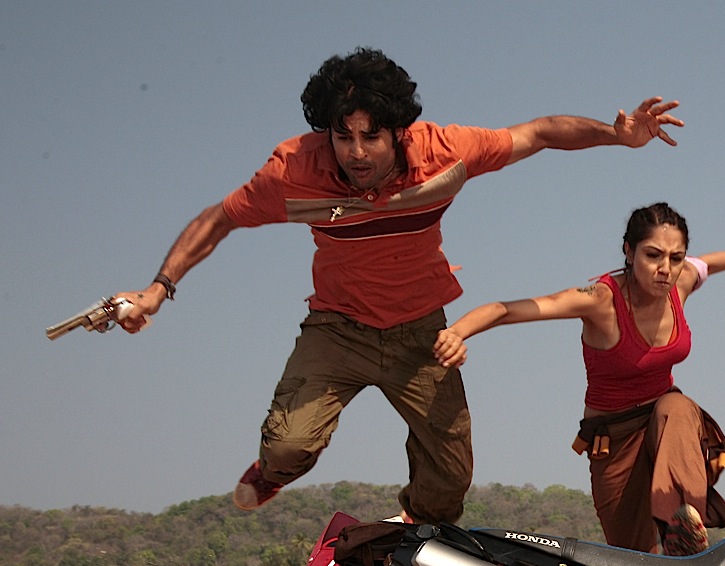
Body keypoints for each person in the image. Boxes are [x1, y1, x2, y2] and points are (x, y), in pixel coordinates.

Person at [112, 48, 684, 521]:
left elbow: (537, 133)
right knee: (289, 445)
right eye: (343, 136)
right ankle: (273, 473)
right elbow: (220, 218)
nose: (357, 153)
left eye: (372, 136)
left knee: (452, 481)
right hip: (338, 328)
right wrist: (158, 289)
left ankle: (410, 525)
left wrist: (617, 135)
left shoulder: (443, 154)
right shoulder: (292, 174)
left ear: (398, 131)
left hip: (419, 334)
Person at [433, 202, 725, 555]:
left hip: (663, 427)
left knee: (677, 407)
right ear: (629, 251)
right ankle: (662, 552)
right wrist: (457, 333)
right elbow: (506, 310)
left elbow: (707, 263)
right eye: (653, 256)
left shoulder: (680, 284)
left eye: (676, 258)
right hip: (613, 442)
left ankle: (685, 522)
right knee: (639, 558)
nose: (665, 269)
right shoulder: (600, 301)